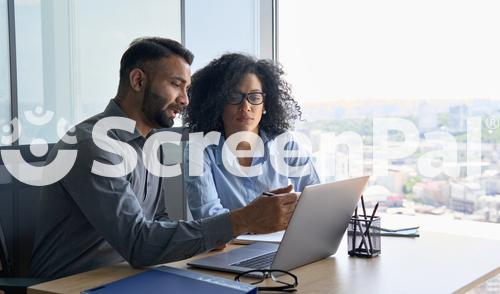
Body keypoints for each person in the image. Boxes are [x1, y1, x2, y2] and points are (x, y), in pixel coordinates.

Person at [29, 38, 298, 279]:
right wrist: (241, 221)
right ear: (138, 81)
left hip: (131, 277)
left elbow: (158, 224)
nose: (185, 100)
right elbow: (139, 243)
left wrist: (212, 234)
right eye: (176, 85)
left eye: (187, 89)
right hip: (71, 285)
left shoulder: (153, 145)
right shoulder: (92, 145)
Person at [183, 53, 320, 220]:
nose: (245, 106)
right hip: (228, 246)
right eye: (234, 96)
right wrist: (255, 217)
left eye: (255, 97)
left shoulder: (286, 144)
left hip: (282, 242)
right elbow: (208, 219)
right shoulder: (199, 150)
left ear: (264, 104)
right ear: (217, 103)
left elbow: (317, 199)